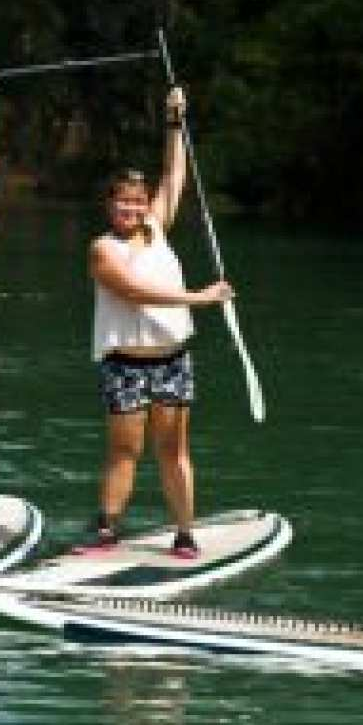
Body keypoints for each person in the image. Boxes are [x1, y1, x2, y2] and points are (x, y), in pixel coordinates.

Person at [81, 86, 233, 558]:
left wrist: (173, 122)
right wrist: (199, 297)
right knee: (125, 453)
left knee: (174, 452)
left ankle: (184, 533)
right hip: (125, 363)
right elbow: (133, 291)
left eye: (138, 202)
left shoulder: (157, 228)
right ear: (110, 207)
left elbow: (174, 173)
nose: (131, 209)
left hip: (173, 360)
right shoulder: (103, 248)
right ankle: (106, 529)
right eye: (122, 203)